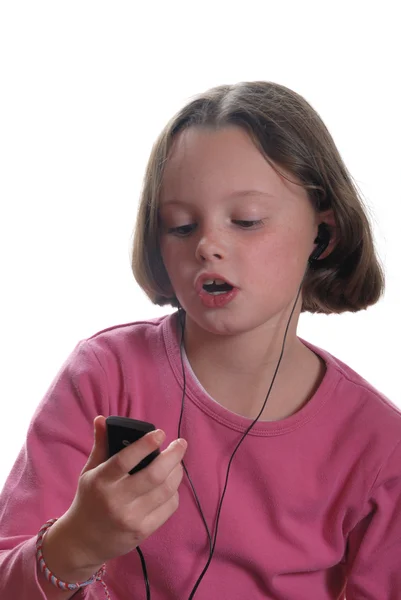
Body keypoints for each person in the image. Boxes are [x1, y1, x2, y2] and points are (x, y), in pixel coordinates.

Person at [0, 80, 399, 600]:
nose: (209, 244)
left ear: (324, 234)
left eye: (247, 221)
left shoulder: (378, 446)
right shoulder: (105, 374)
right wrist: (76, 544)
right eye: (182, 226)